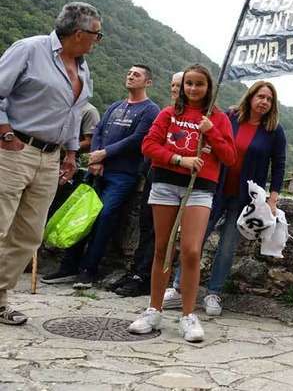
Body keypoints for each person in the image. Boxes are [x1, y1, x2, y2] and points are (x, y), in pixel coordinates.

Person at [0, 2, 100, 326]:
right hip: (15, 148)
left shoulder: (83, 69)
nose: (98, 41)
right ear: (78, 33)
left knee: (29, 235)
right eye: (97, 35)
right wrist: (5, 134)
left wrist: (71, 154)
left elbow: (73, 114)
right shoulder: (29, 49)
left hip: (50, 156)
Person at [129, 64, 235, 342]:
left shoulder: (218, 118)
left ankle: (188, 315)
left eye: (199, 84)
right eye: (189, 83)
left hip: (199, 189)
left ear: (208, 87)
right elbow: (148, 146)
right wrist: (180, 160)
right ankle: (154, 309)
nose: (193, 89)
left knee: (190, 251)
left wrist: (211, 131)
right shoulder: (168, 113)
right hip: (165, 183)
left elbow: (230, 157)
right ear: (182, 86)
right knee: (162, 249)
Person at [164, 80, 287, 315]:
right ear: (250, 97)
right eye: (261, 96)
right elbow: (211, 140)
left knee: (227, 247)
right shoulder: (231, 117)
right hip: (214, 189)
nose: (264, 102)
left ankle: (213, 293)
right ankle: (179, 290)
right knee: (195, 240)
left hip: (245, 200)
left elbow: (279, 166)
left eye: (269, 99)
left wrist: (273, 199)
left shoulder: (274, 130)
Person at [41, 65, 160, 289]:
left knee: (104, 217)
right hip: (99, 171)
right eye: (129, 72)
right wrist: (95, 159)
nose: (131, 76)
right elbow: (98, 132)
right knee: (82, 216)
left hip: (123, 174)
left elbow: (137, 139)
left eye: (137, 74)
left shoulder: (150, 110)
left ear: (148, 82)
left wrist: (104, 153)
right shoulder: (116, 106)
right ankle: (68, 266)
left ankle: (88, 270)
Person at [113, 72, 184, 297]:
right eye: (172, 84)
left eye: (179, 85)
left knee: (158, 232)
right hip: (153, 175)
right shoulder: (165, 113)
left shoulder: (188, 119)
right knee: (145, 226)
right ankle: (136, 271)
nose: (174, 89)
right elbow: (149, 144)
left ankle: (144, 277)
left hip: (171, 180)